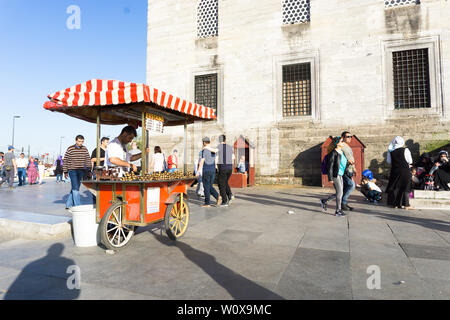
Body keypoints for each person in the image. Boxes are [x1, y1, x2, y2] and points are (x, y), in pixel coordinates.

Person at [320, 137, 347, 217]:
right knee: (340, 193)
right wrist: (330, 178)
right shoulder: (333, 153)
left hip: (341, 174)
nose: (343, 142)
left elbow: (342, 164)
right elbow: (330, 167)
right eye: (341, 141)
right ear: (337, 144)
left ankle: (324, 201)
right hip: (336, 175)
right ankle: (338, 211)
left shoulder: (342, 152)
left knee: (340, 193)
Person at [63, 135, 92, 209]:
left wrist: (89, 170)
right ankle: (78, 206)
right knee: (75, 188)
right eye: (79, 141)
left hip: (81, 170)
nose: (80, 143)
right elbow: (65, 160)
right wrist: (65, 171)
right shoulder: (70, 148)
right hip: (72, 170)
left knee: (75, 187)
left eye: (82, 141)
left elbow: (88, 159)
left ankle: (68, 204)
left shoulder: (84, 148)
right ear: (76, 141)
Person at [385, 136, 413, 209]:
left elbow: (388, 161)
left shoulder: (391, 151)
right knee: (405, 187)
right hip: (404, 171)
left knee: (396, 187)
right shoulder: (406, 150)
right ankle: (406, 205)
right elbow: (410, 161)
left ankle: (396, 204)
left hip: (395, 171)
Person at [196, 137, 220, 208]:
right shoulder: (213, 151)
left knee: (206, 186)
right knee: (209, 186)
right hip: (213, 170)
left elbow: (202, 161)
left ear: (204, 142)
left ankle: (207, 203)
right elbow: (216, 161)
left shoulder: (204, 151)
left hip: (206, 170)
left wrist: (197, 171)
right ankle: (217, 197)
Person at [215, 135, 235, 207]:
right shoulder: (230, 147)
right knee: (225, 182)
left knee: (221, 185)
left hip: (222, 167)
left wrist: (216, 167)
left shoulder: (219, 147)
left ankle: (224, 201)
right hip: (229, 167)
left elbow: (216, 158)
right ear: (225, 140)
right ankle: (230, 195)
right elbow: (233, 157)